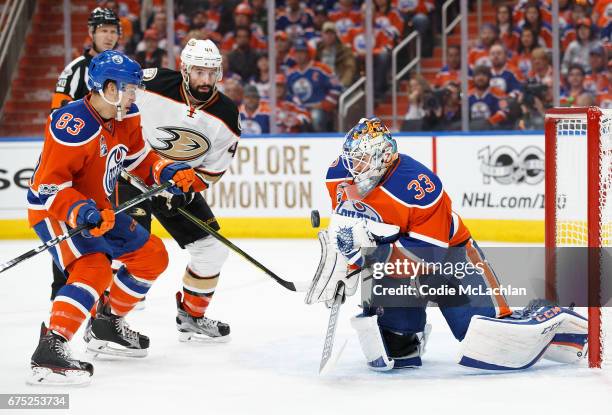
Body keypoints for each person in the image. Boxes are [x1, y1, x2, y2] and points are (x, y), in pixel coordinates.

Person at [306, 117, 588, 371]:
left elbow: (425, 258)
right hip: (391, 261)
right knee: (395, 345)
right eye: (352, 159)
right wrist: (346, 264)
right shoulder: (338, 175)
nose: (354, 169)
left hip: (447, 257)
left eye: (362, 160)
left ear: (384, 156)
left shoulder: (418, 186)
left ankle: (551, 318)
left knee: (492, 340)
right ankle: (408, 333)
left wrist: (370, 254)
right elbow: (349, 224)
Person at [50, 39, 241, 342]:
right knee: (125, 251)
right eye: (199, 72)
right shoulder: (152, 81)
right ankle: (104, 321)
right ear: (184, 69)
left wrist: (192, 183)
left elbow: (213, 169)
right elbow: (105, 101)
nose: (205, 80)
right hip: (128, 178)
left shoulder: (227, 114)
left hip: (176, 186)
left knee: (212, 250)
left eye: (211, 73)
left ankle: (191, 316)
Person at [27, 50, 196, 385]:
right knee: (95, 268)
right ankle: (51, 347)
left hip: (99, 206)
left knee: (152, 255)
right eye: (128, 88)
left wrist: (167, 171)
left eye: (134, 88)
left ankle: (106, 324)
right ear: (104, 87)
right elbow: (49, 187)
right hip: (57, 209)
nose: (134, 95)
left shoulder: (127, 114)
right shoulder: (71, 124)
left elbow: (138, 160)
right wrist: (82, 212)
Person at [51, 7, 120, 109]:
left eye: (113, 31)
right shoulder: (75, 69)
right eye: (104, 30)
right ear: (91, 32)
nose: (109, 37)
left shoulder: (122, 67)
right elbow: (56, 113)